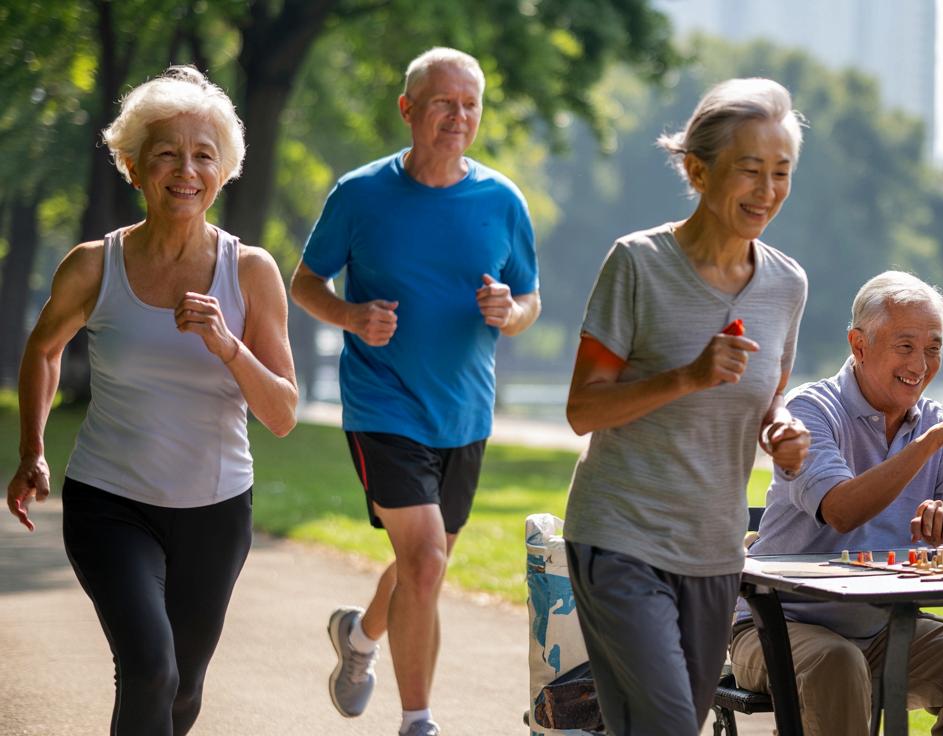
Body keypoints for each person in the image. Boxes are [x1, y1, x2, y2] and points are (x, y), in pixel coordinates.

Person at [5, 66, 297, 735]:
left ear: (225, 171)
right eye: (167, 154)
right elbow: (44, 350)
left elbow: (282, 413)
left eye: (204, 156)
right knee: (149, 670)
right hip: (110, 501)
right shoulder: (93, 265)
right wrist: (32, 451)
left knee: (183, 691)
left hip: (215, 510)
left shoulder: (250, 272)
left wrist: (227, 345)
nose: (186, 171)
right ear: (133, 166)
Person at [290, 47, 539, 736]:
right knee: (425, 559)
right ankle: (418, 721)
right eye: (442, 103)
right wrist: (350, 316)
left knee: (422, 566)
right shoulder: (359, 194)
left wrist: (510, 312)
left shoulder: (502, 200)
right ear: (407, 109)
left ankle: (358, 636)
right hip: (383, 403)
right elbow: (305, 282)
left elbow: (530, 298)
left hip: (465, 412)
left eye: (470, 105)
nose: (458, 117)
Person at [561, 77, 810, 735]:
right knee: (670, 726)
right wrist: (687, 377)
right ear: (698, 171)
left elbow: (770, 399)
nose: (767, 190)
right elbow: (583, 409)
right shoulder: (637, 264)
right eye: (750, 169)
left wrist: (783, 431)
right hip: (621, 537)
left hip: (714, 553)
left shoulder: (786, 284)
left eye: (781, 171)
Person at [729, 271, 943, 736]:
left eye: (933, 348)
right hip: (777, 625)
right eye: (906, 346)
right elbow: (841, 511)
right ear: (859, 345)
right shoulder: (808, 410)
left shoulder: (934, 421)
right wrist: (928, 442)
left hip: (884, 628)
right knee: (836, 663)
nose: (920, 364)